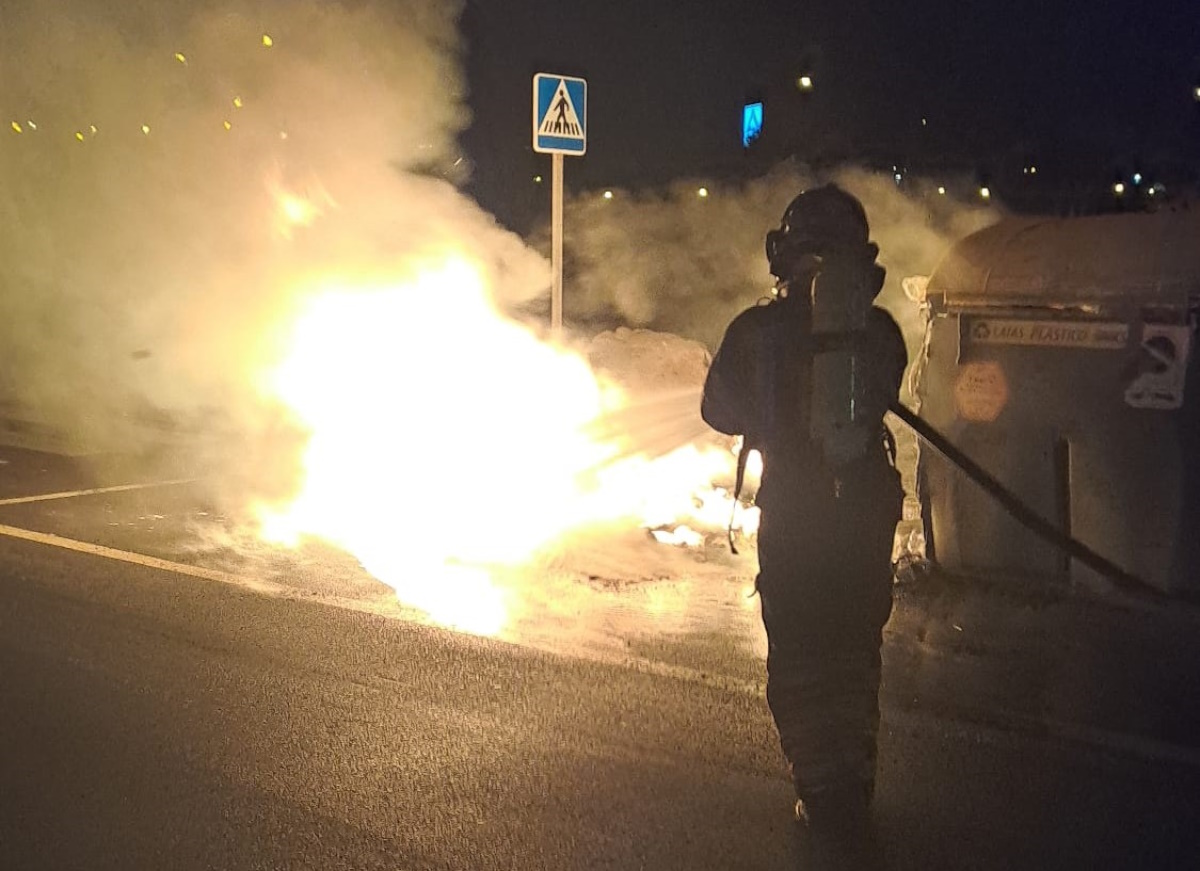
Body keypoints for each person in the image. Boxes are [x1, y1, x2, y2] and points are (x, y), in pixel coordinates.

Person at [701, 185, 907, 836]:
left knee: (799, 653)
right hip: (865, 512)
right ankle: (856, 775)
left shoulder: (756, 329)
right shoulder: (878, 329)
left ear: (786, 253)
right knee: (854, 648)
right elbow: (887, 387)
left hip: (795, 511)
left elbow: (717, 411)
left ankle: (822, 788)